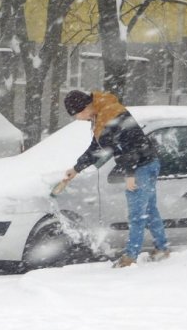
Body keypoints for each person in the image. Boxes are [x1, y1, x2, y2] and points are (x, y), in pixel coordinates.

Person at [62, 89, 170, 268]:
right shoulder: (103, 112)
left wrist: (130, 174)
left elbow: (130, 145)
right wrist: (76, 168)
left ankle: (130, 257)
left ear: (84, 107)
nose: (78, 119)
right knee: (149, 209)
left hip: (141, 165)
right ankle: (162, 248)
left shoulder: (110, 115)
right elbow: (98, 147)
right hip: (148, 161)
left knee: (137, 214)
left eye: (77, 114)